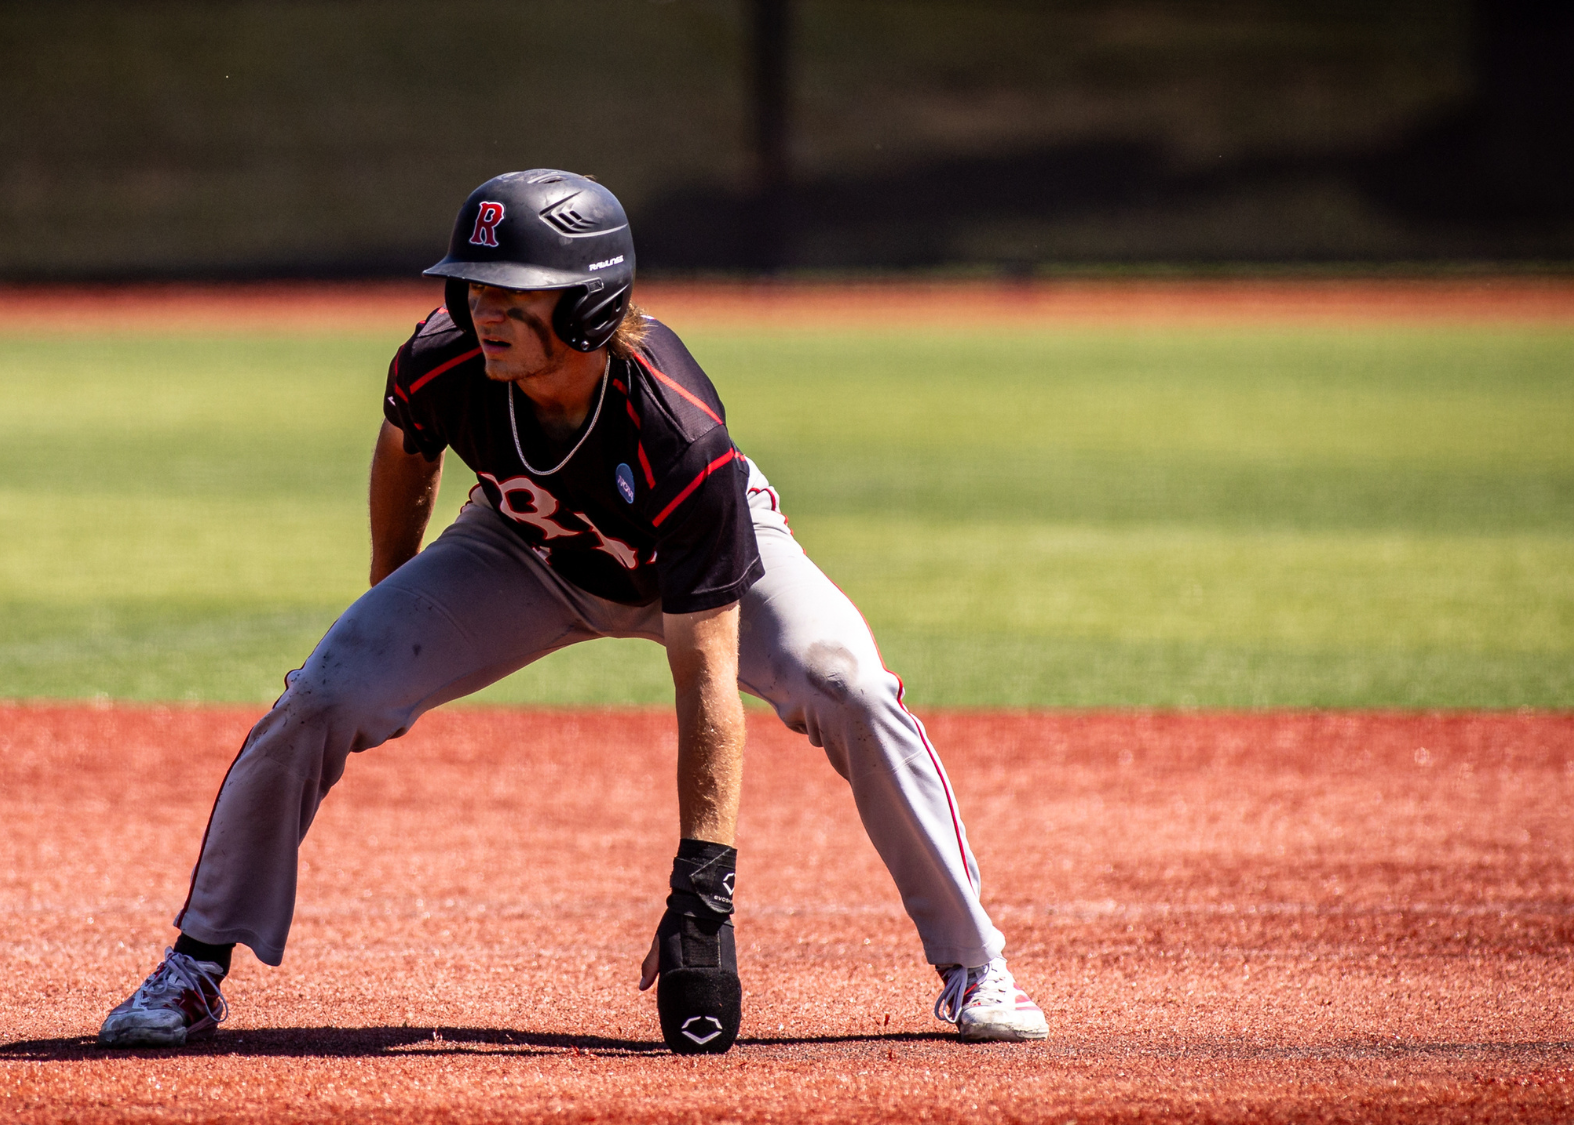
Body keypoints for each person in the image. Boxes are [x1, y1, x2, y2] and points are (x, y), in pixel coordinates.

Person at [97, 170, 1049, 1053]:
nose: (483, 310)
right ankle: (196, 963)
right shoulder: (444, 359)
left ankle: (976, 965)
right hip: (525, 548)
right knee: (326, 689)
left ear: (592, 303)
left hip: (706, 562)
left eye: (514, 291)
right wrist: (389, 589)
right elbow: (407, 447)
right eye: (473, 286)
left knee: (849, 683)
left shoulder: (682, 434)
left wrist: (701, 890)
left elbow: (707, 678)